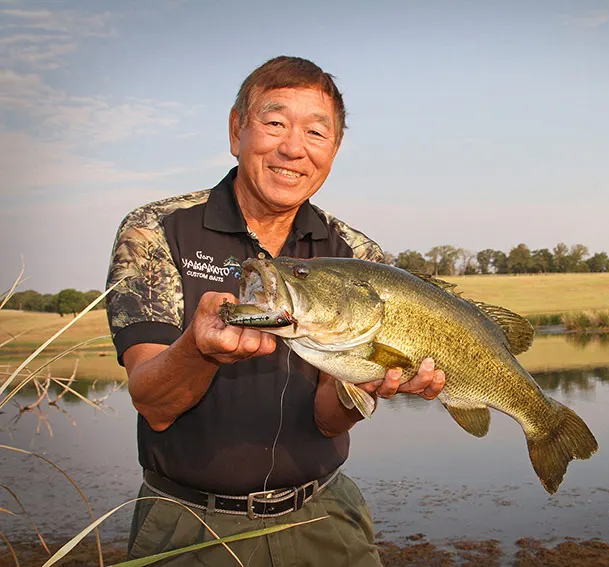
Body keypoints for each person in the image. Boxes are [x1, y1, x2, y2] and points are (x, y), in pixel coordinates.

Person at [105, 56, 445, 567]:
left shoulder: (357, 254)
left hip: (325, 517)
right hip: (187, 526)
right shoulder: (157, 229)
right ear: (236, 128)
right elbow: (154, 402)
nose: (293, 148)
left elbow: (329, 422)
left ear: (334, 149)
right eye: (275, 122)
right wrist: (199, 351)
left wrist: (369, 386)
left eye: (316, 131)